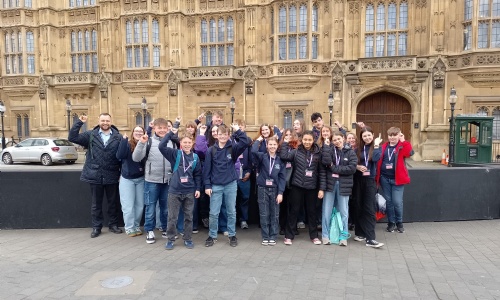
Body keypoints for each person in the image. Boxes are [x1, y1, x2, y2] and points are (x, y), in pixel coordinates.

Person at [68, 114, 123, 238]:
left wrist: (121, 173)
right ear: (99, 121)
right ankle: (96, 227)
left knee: (113, 202)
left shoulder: (118, 137)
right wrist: (79, 123)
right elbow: (72, 137)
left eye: (107, 121)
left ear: (111, 122)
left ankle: (113, 225)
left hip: (112, 173)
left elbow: (121, 157)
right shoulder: (90, 135)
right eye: (103, 120)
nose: (105, 123)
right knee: (96, 203)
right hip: (95, 174)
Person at [204, 124, 251, 247]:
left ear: (228, 135)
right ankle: (212, 235)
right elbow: (207, 170)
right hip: (216, 186)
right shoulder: (211, 150)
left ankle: (232, 235)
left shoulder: (233, 148)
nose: (222, 137)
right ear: (216, 136)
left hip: (230, 184)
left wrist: (238, 130)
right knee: (214, 213)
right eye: (220, 134)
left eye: (225, 135)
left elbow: (246, 142)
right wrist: (207, 186)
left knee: (231, 212)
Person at [132, 117, 176, 244]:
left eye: (164, 128)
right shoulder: (149, 141)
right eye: (159, 128)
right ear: (154, 128)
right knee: (150, 207)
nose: (162, 130)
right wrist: (141, 143)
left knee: (166, 208)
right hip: (151, 180)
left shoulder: (171, 143)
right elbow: (136, 158)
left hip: (167, 180)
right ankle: (149, 230)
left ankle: (164, 228)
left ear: (168, 128)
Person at [159, 124, 202, 250]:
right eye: (185, 142)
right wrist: (171, 132)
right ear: (181, 143)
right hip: (174, 191)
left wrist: (198, 189)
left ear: (192, 143)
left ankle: (187, 238)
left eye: (189, 142)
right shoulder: (175, 154)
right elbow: (161, 146)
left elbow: (198, 174)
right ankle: (171, 239)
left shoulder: (195, 158)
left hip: (189, 191)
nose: (187, 144)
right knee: (172, 217)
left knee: (189, 217)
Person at [280, 130, 326, 245]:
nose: (307, 142)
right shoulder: (296, 152)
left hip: (312, 187)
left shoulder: (318, 153)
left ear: (313, 140)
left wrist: (321, 189)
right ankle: (288, 236)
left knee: (312, 212)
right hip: (297, 186)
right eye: (305, 140)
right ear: (302, 140)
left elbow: (321, 172)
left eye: (309, 140)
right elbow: (284, 156)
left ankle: (314, 236)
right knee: (294, 211)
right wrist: (285, 143)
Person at [321, 131, 357, 246]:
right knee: (326, 211)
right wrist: (326, 147)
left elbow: (351, 169)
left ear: (343, 138)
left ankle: (343, 237)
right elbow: (326, 162)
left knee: (344, 212)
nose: (337, 141)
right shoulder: (330, 150)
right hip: (330, 185)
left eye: (338, 139)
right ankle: (325, 236)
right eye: (334, 140)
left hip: (344, 185)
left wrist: (334, 168)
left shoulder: (350, 152)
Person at [376, 127, 412, 233]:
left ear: (398, 135)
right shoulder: (384, 147)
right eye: (390, 135)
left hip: (397, 179)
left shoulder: (401, 146)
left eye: (394, 135)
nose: (392, 137)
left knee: (397, 202)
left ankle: (399, 223)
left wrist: (403, 141)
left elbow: (410, 153)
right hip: (384, 179)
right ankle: (391, 223)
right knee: (389, 202)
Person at [353, 127, 384, 248]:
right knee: (358, 206)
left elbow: (375, 159)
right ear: (361, 137)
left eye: (369, 135)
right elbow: (353, 162)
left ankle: (370, 238)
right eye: (364, 136)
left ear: (373, 135)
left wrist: (376, 145)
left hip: (370, 180)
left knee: (369, 208)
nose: (367, 138)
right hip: (358, 179)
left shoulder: (377, 148)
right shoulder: (358, 149)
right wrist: (357, 167)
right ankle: (360, 233)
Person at [252, 136, 286, 246]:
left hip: (275, 189)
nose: (272, 146)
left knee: (275, 214)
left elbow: (282, 177)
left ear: (277, 146)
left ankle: (273, 236)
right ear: (267, 146)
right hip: (262, 188)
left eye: (274, 144)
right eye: (270, 144)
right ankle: (265, 236)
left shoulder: (280, 160)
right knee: (264, 213)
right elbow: (253, 151)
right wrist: (259, 140)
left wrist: (280, 193)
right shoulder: (262, 157)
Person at [116, 126, 146, 237]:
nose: (138, 133)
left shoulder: (145, 144)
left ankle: (136, 226)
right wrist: (123, 141)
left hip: (141, 179)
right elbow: (119, 155)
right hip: (127, 179)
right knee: (128, 206)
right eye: (136, 131)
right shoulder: (128, 144)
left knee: (139, 205)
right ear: (132, 133)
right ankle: (129, 227)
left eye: (141, 131)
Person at [278, 128, 300, 236]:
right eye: (286, 135)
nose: (288, 137)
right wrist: (285, 144)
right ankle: (282, 226)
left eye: (290, 135)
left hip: (294, 179)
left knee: (294, 206)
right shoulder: (281, 146)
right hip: (283, 178)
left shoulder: (298, 148)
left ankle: (293, 227)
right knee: (283, 206)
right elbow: (282, 157)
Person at [235, 119, 252, 230]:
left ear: (245, 127)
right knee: (232, 198)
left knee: (245, 197)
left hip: (245, 172)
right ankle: (233, 220)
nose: (240, 127)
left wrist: (250, 171)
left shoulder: (248, 141)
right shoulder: (231, 140)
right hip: (233, 173)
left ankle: (243, 220)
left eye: (242, 126)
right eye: (238, 125)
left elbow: (251, 157)